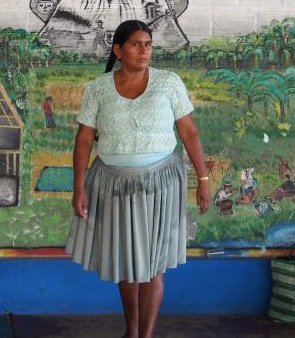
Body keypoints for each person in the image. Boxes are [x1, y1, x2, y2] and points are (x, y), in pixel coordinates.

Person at [66, 20, 211, 338]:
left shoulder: (169, 83)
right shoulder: (98, 89)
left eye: (148, 44)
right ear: (117, 50)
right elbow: (83, 139)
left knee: (153, 264)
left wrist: (203, 179)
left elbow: (189, 131)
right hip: (113, 185)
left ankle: (145, 335)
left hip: (161, 185)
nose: (144, 50)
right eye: (135, 44)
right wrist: (79, 187)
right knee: (125, 261)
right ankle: (131, 331)